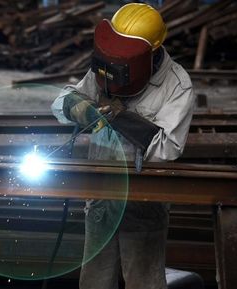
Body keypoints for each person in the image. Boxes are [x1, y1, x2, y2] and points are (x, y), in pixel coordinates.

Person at [51, 3, 195, 289]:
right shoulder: (107, 66)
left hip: (144, 198)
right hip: (102, 191)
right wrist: (78, 107)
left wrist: (123, 118)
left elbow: (168, 147)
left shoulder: (177, 85)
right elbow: (59, 102)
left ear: (152, 54)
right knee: (95, 280)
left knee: (144, 281)